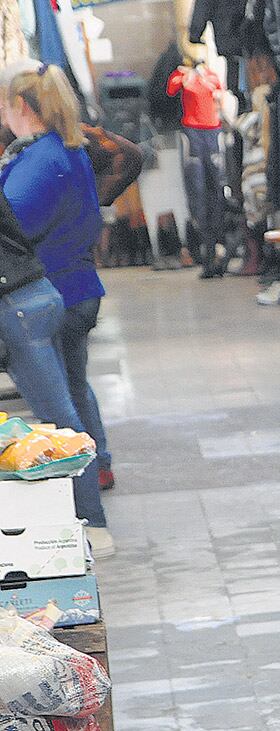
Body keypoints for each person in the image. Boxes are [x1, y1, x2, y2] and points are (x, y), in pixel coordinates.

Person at [0, 63, 114, 557]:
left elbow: (13, 228)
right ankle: (99, 469)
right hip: (74, 287)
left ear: (21, 107)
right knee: (73, 394)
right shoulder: (66, 149)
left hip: (50, 291)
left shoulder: (39, 160)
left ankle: (91, 518)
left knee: (61, 415)